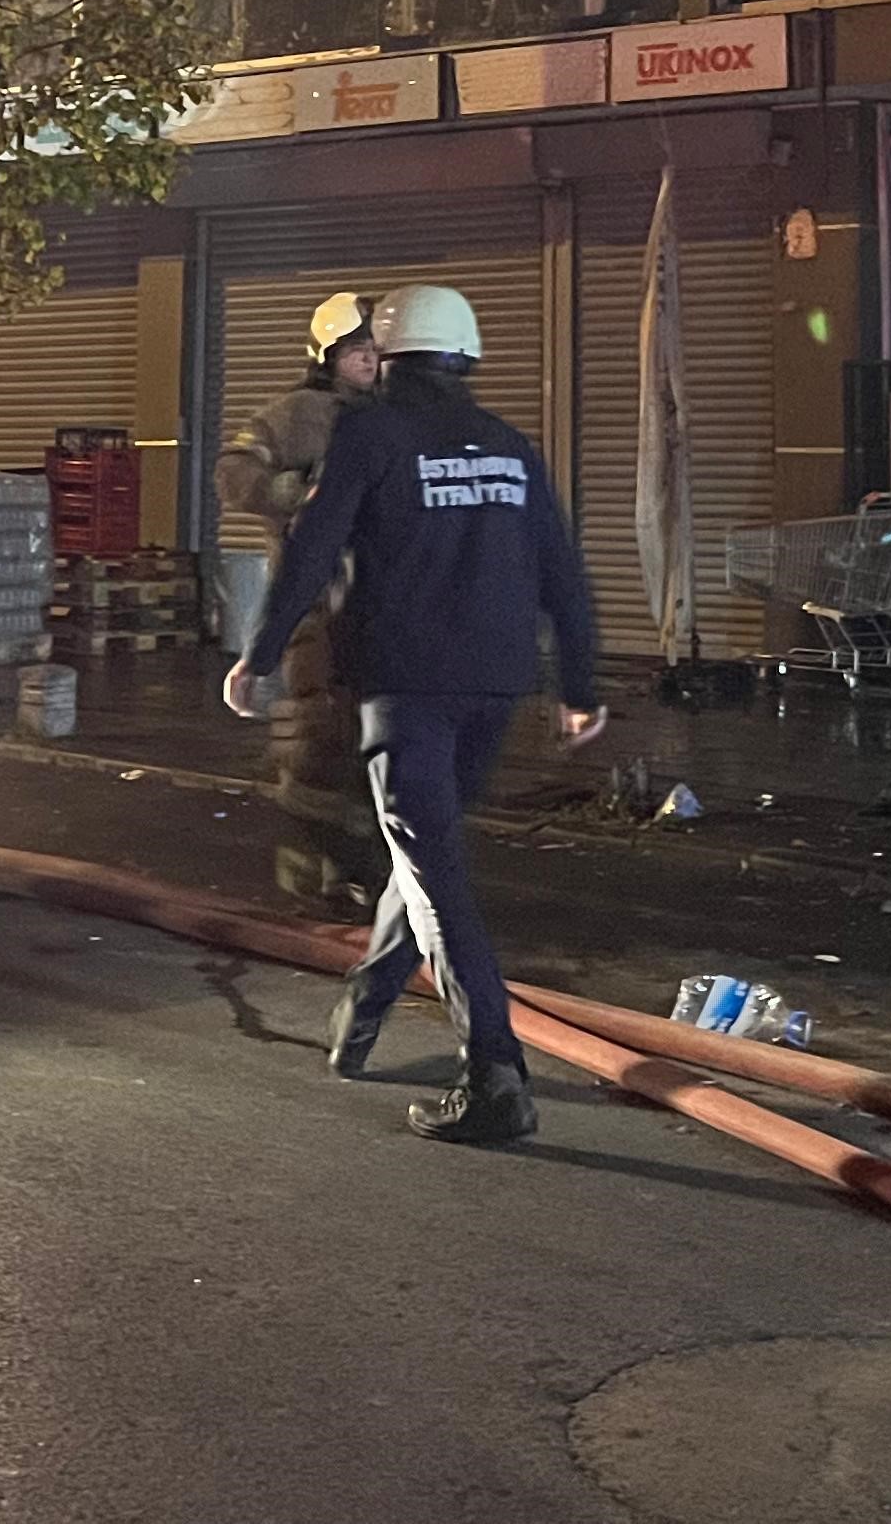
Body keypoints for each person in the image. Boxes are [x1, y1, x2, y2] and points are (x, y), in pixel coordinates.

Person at [224, 284, 604, 1145]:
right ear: (464, 354)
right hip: (498, 689)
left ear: (385, 359)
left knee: (435, 870)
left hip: (407, 685)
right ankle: (363, 1009)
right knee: (420, 849)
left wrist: (261, 653)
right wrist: (581, 685)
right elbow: (562, 570)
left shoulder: (370, 433)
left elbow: (315, 547)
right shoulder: (509, 446)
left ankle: (495, 1073)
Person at [218, 292, 386, 913]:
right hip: (313, 600)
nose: (369, 362)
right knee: (320, 727)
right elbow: (234, 472)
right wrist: (291, 490)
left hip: (380, 602)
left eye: (375, 351)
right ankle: (309, 858)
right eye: (357, 351)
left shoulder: (390, 417)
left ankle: (357, 862)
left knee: (375, 734)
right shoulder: (293, 415)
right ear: (329, 355)